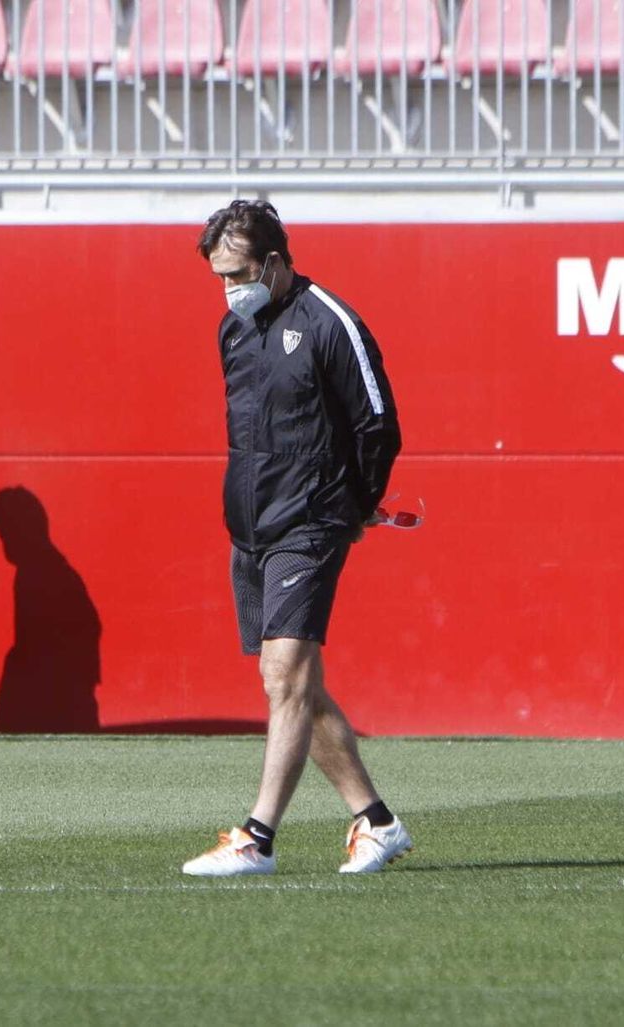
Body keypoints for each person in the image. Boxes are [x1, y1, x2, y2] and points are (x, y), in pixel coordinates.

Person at [182, 200, 409, 877]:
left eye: (239, 272)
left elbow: (379, 425)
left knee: (285, 676)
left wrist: (355, 507)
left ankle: (257, 838)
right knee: (290, 683)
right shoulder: (234, 328)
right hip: (251, 527)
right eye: (220, 276)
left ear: (274, 262)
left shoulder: (329, 321)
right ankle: (377, 821)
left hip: (311, 522)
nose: (230, 287)